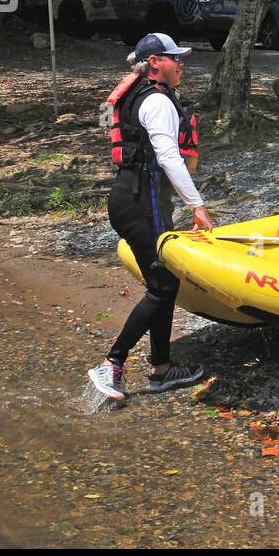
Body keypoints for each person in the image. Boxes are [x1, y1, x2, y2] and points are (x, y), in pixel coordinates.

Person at [88, 32, 213, 401]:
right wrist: (197, 205)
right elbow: (169, 156)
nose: (181, 64)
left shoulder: (138, 95)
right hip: (143, 205)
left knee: (165, 285)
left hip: (133, 199)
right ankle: (112, 363)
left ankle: (161, 368)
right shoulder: (156, 101)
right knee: (162, 287)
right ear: (155, 61)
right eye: (175, 57)